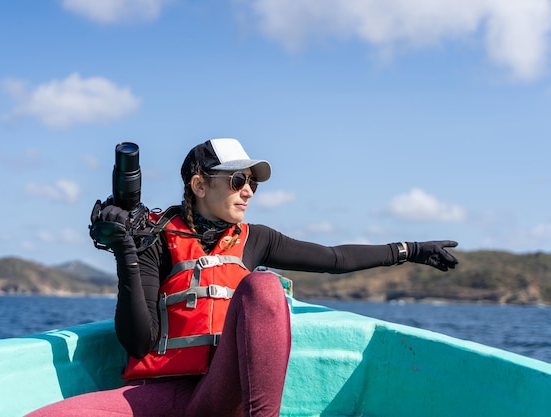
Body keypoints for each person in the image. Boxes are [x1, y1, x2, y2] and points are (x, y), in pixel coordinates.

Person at [26, 138, 458, 417]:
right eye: (236, 180)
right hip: (164, 398)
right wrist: (126, 251)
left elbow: (334, 257)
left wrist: (410, 250)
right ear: (198, 185)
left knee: (264, 287)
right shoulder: (155, 238)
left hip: (224, 394)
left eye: (252, 182)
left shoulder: (257, 240)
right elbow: (138, 343)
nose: (248, 191)